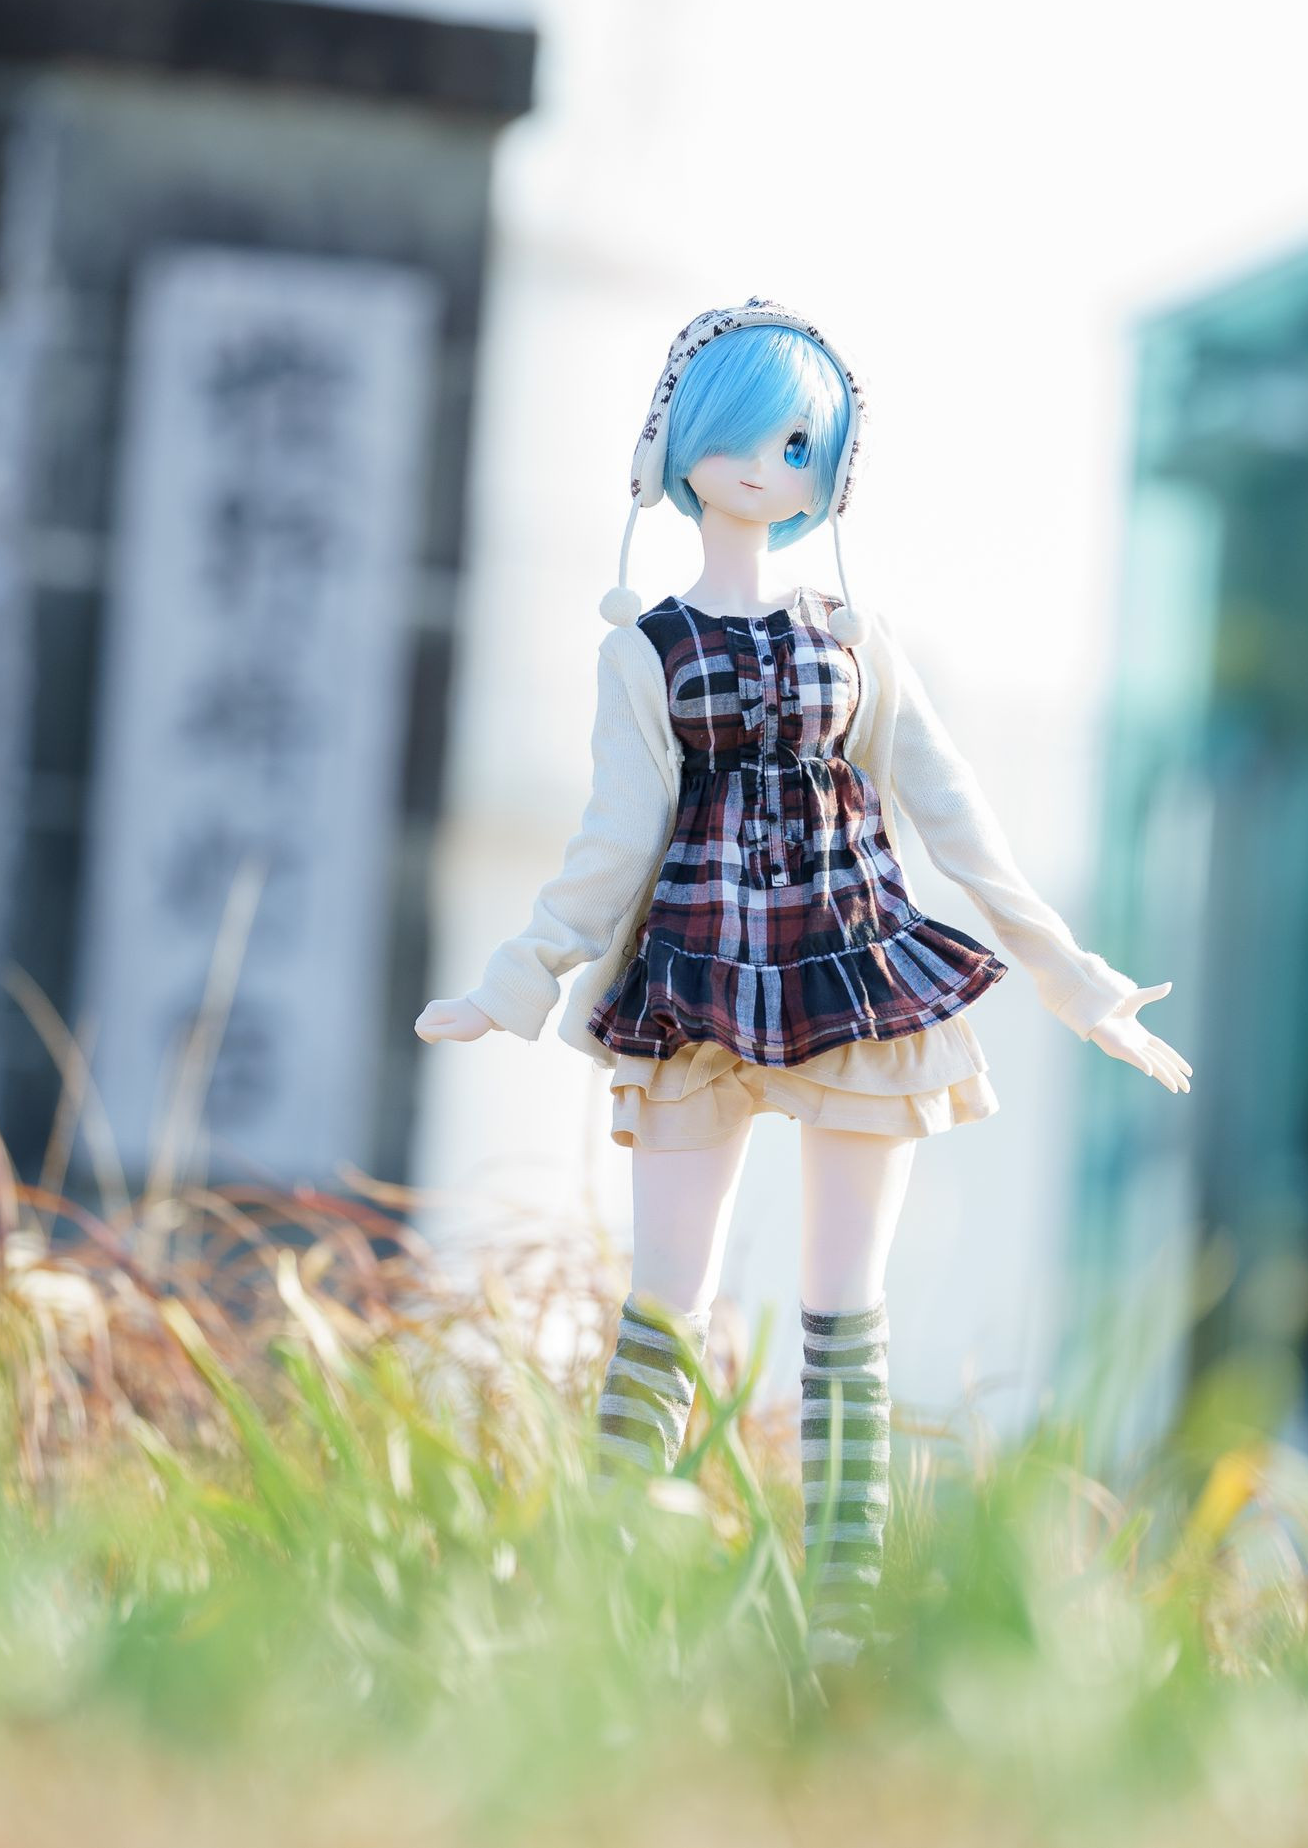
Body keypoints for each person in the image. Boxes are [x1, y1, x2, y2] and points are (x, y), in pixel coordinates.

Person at [413, 299, 1191, 1663]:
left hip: (853, 971)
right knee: (664, 1304)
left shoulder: (856, 634)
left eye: (795, 444)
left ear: (829, 464)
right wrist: (517, 976)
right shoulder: (644, 646)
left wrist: (1069, 976)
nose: (765, 466)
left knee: (846, 1315)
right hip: (696, 977)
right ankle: (595, 1596)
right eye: (739, 434)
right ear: (677, 444)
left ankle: (844, 1609)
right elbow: (613, 837)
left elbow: (953, 815)